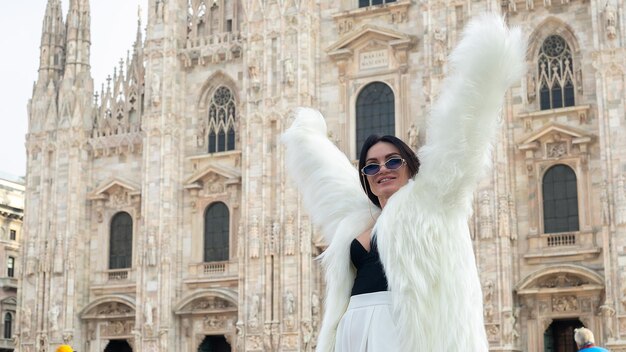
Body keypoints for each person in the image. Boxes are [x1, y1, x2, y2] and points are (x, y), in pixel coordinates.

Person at [281, 13, 525, 352]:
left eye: (393, 161)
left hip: (400, 331)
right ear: (364, 176)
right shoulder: (359, 217)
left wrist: (483, 73)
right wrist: (308, 138)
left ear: (411, 166)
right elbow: (326, 179)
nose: (383, 169)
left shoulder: (432, 202)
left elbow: (461, 144)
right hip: (353, 330)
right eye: (371, 166)